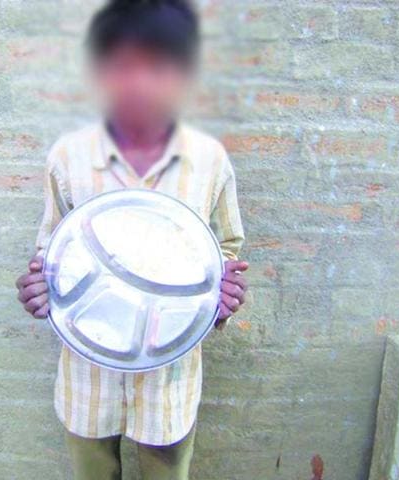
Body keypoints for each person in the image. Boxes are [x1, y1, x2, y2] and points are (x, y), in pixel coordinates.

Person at [16, 1, 248, 478]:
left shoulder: (208, 161)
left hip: (170, 383)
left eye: (158, 65)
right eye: (124, 64)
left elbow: (223, 254)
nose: (140, 82)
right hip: (88, 381)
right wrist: (38, 289)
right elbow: (51, 254)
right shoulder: (69, 158)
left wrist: (223, 300)